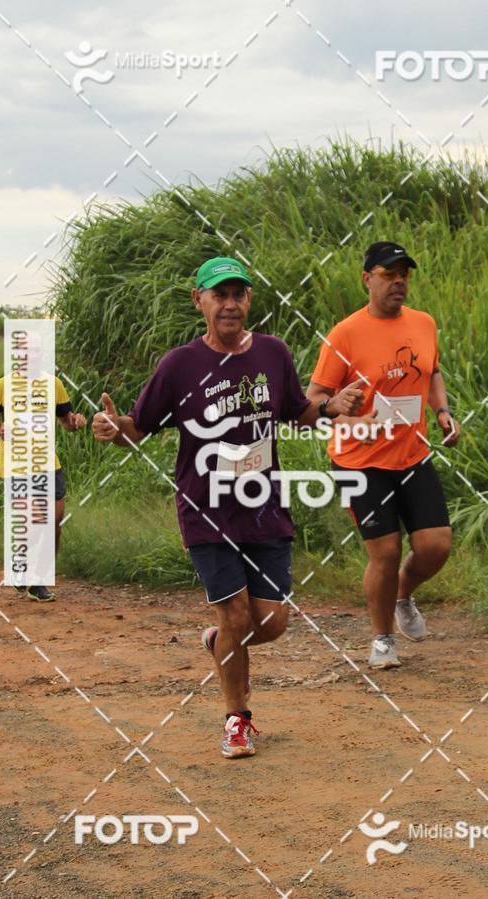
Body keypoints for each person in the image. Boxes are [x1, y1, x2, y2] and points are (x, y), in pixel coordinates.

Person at [92, 255, 363, 758]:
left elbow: (297, 412)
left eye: (239, 294)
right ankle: (237, 719)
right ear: (200, 301)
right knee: (236, 616)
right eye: (220, 295)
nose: (231, 304)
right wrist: (114, 430)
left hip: (265, 507)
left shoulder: (273, 354)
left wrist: (331, 407)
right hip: (206, 509)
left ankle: (220, 643)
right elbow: (138, 427)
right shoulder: (179, 366)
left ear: (249, 300)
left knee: (273, 622)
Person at [307, 241, 461, 670]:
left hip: (412, 454)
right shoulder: (345, 334)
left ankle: (403, 595)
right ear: (367, 278)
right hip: (360, 460)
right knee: (386, 551)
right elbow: (315, 397)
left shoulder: (424, 323)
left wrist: (443, 411)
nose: (399, 282)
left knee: (435, 546)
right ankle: (381, 640)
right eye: (389, 274)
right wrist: (343, 407)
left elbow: (432, 371)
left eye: (404, 274)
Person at [0, 365, 86, 602]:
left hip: (48, 464)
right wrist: (0, 429)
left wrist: (76, 422)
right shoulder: (3, 385)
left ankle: (38, 581)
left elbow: (66, 420)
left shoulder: (54, 384)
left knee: (55, 523)